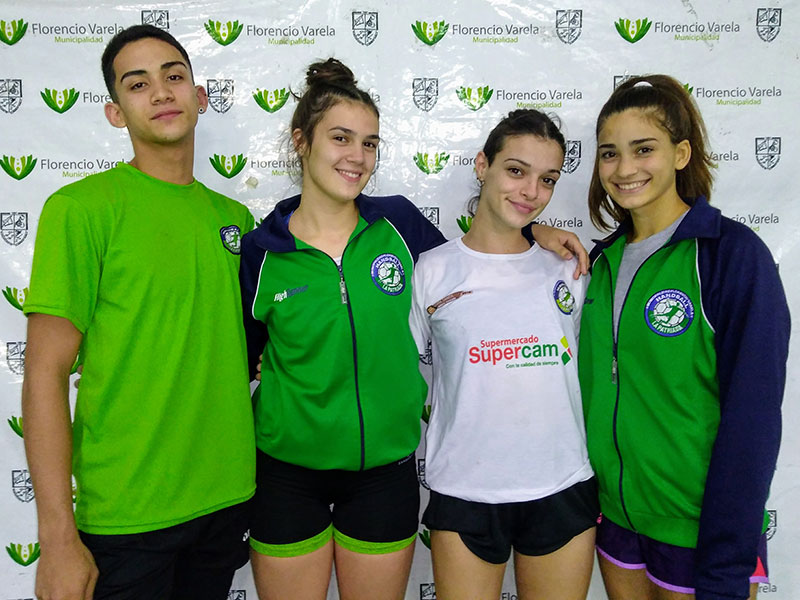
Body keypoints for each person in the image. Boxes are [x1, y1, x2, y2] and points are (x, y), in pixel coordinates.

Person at [238, 60, 589, 600]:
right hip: (287, 474)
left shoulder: (400, 226)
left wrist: (535, 229)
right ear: (301, 141)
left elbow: (478, 262)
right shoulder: (260, 252)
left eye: (370, 143)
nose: (357, 156)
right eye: (340, 138)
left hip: (384, 475)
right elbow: (246, 356)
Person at [21, 25, 255, 600]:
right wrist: (57, 538)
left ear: (200, 96)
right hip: (127, 514)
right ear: (115, 112)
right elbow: (45, 373)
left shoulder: (236, 220)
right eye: (138, 83)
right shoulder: (80, 209)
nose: (161, 92)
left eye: (174, 76)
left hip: (227, 502)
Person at [578, 75, 789, 600]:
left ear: (681, 153)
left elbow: (754, 417)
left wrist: (728, 555)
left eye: (643, 148)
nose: (624, 169)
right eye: (609, 153)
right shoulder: (598, 263)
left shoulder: (730, 254)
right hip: (616, 522)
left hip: (701, 531)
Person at [408, 109, 598, 600]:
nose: (531, 191)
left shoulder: (570, 268)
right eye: (516, 170)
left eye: (547, 179)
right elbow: (395, 367)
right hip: (465, 491)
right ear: (482, 165)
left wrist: (538, 235)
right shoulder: (431, 270)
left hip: (561, 485)